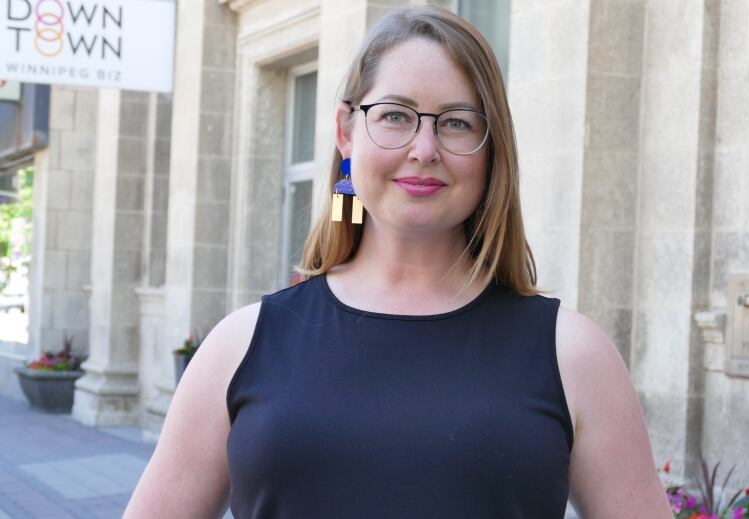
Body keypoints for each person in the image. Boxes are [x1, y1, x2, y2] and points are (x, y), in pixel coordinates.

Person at [124, 6, 672, 519]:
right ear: (345, 130)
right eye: (395, 115)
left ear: (491, 145)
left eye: (457, 122)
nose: (425, 148)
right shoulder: (241, 345)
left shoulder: (573, 354)